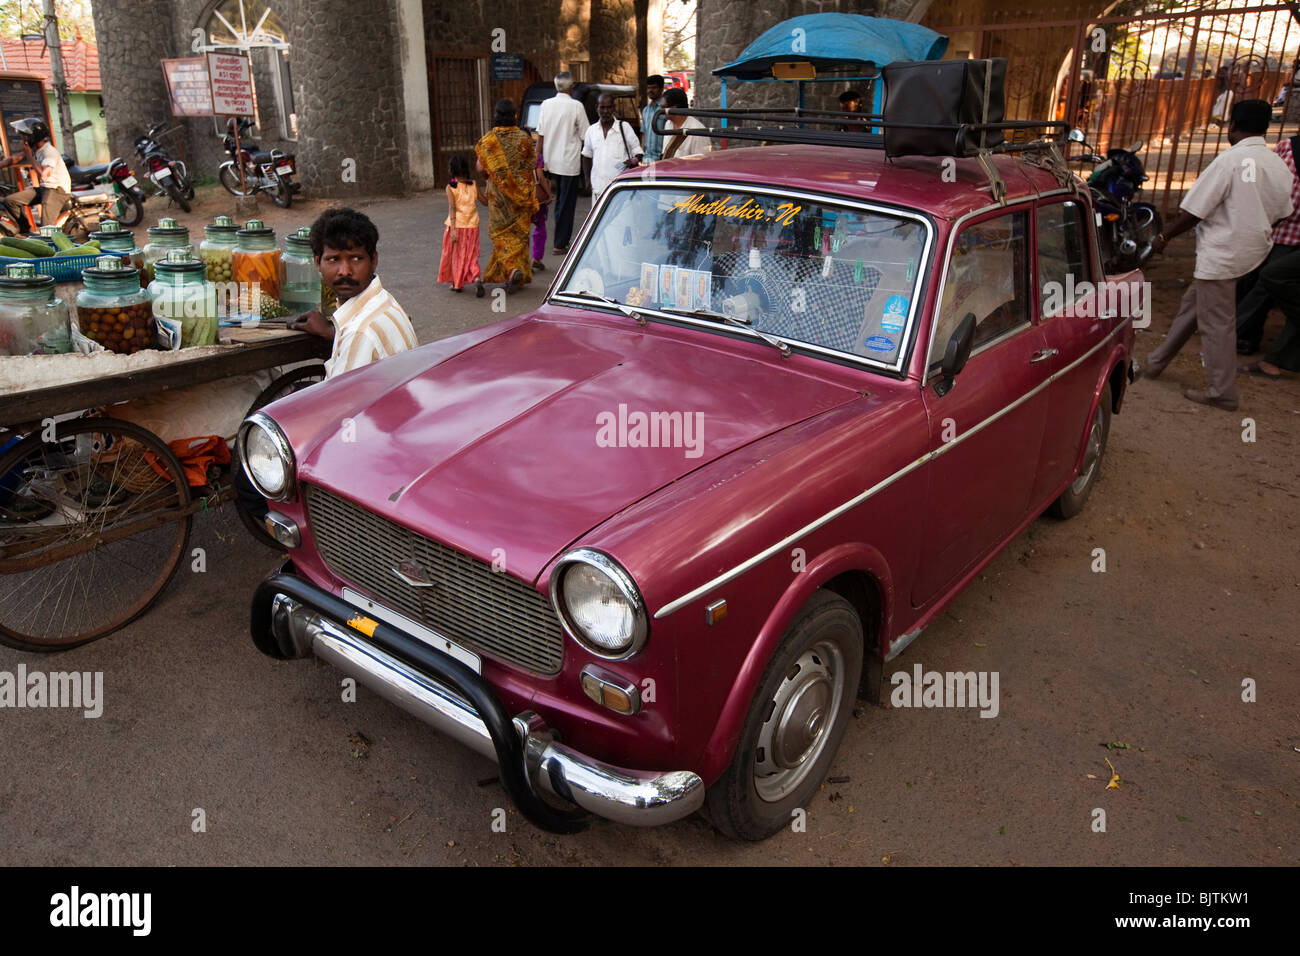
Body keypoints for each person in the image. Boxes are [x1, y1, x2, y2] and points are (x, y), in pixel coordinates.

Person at [238, 208, 418, 524]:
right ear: (318, 263)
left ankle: (301, 542)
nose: (344, 270)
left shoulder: (361, 330)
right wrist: (332, 331)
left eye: (355, 259)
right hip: (397, 425)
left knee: (248, 472)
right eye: (333, 260)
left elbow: (339, 421)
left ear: (373, 260)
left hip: (377, 447)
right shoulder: (379, 304)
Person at [1137, 99, 1294, 411]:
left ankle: (1222, 391)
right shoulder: (1277, 163)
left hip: (1223, 253)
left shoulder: (1230, 162)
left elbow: (1195, 211)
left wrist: (1164, 236)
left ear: (1233, 126)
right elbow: (1283, 213)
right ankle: (1154, 363)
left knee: (1217, 323)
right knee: (1193, 307)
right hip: (1253, 250)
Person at [1235, 132, 1300, 353]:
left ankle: (1235, 332)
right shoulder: (1286, 147)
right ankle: (1246, 335)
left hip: (1291, 232)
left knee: (1265, 285)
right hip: (1277, 228)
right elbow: (1269, 183)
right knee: (1252, 279)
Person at [474, 98, 540, 292]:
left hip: (498, 198)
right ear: (515, 116)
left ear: (495, 116)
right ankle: (517, 274)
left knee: (499, 234)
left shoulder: (488, 141)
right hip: (521, 198)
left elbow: (480, 167)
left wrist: (491, 171)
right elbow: (531, 166)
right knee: (518, 236)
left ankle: (511, 271)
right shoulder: (525, 139)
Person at [535, 71, 588, 254]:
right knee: (566, 203)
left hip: (550, 160)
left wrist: (537, 159)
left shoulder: (546, 105)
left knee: (553, 201)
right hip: (568, 162)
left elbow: (540, 135)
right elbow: (585, 136)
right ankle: (560, 242)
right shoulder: (576, 106)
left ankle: (545, 241)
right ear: (571, 87)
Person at [0, 118, 72, 231]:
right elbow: (14, 159)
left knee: (46, 228)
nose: (22, 140)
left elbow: (45, 175)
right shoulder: (36, 149)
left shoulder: (48, 152)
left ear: (33, 137)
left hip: (57, 190)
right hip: (45, 188)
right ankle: (26, 231)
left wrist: (29, 156)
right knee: (10, 201)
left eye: (24, 136)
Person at [438, 155, 485, 297]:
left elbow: (452, 208)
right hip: (473, 226)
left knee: (457, 255)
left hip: (457, 226)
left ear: (451, 170)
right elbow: (485, 202)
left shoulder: (450, 188)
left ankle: (457, 283)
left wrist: (452, 230)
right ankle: (476, 277)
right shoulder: (474, 185)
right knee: (472, 255)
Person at [581, 93, 643, 200]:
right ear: (597, 108)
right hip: (598, 189)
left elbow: (638, 152)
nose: (606, 111)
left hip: (620, 190)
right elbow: (586, 157)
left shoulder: (624, 128)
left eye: (609, 107)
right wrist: (587, 180)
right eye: (602, 108)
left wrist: (633, 160)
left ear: (613, 108)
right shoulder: (591, 130)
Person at [660, 87, 711, 159]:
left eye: (663, 107)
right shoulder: (668, 124)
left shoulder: (697, 131)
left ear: (674, 108)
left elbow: (702, 163)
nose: (661, 111)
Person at [641, 75, 666, 162]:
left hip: (662, 158)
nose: (650, 90)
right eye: (648, 88)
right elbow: (644, 133)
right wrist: (642, 153)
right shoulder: (645, 110)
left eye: (654, 87)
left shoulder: (665, 109)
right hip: (647, 158)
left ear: (662, 89)